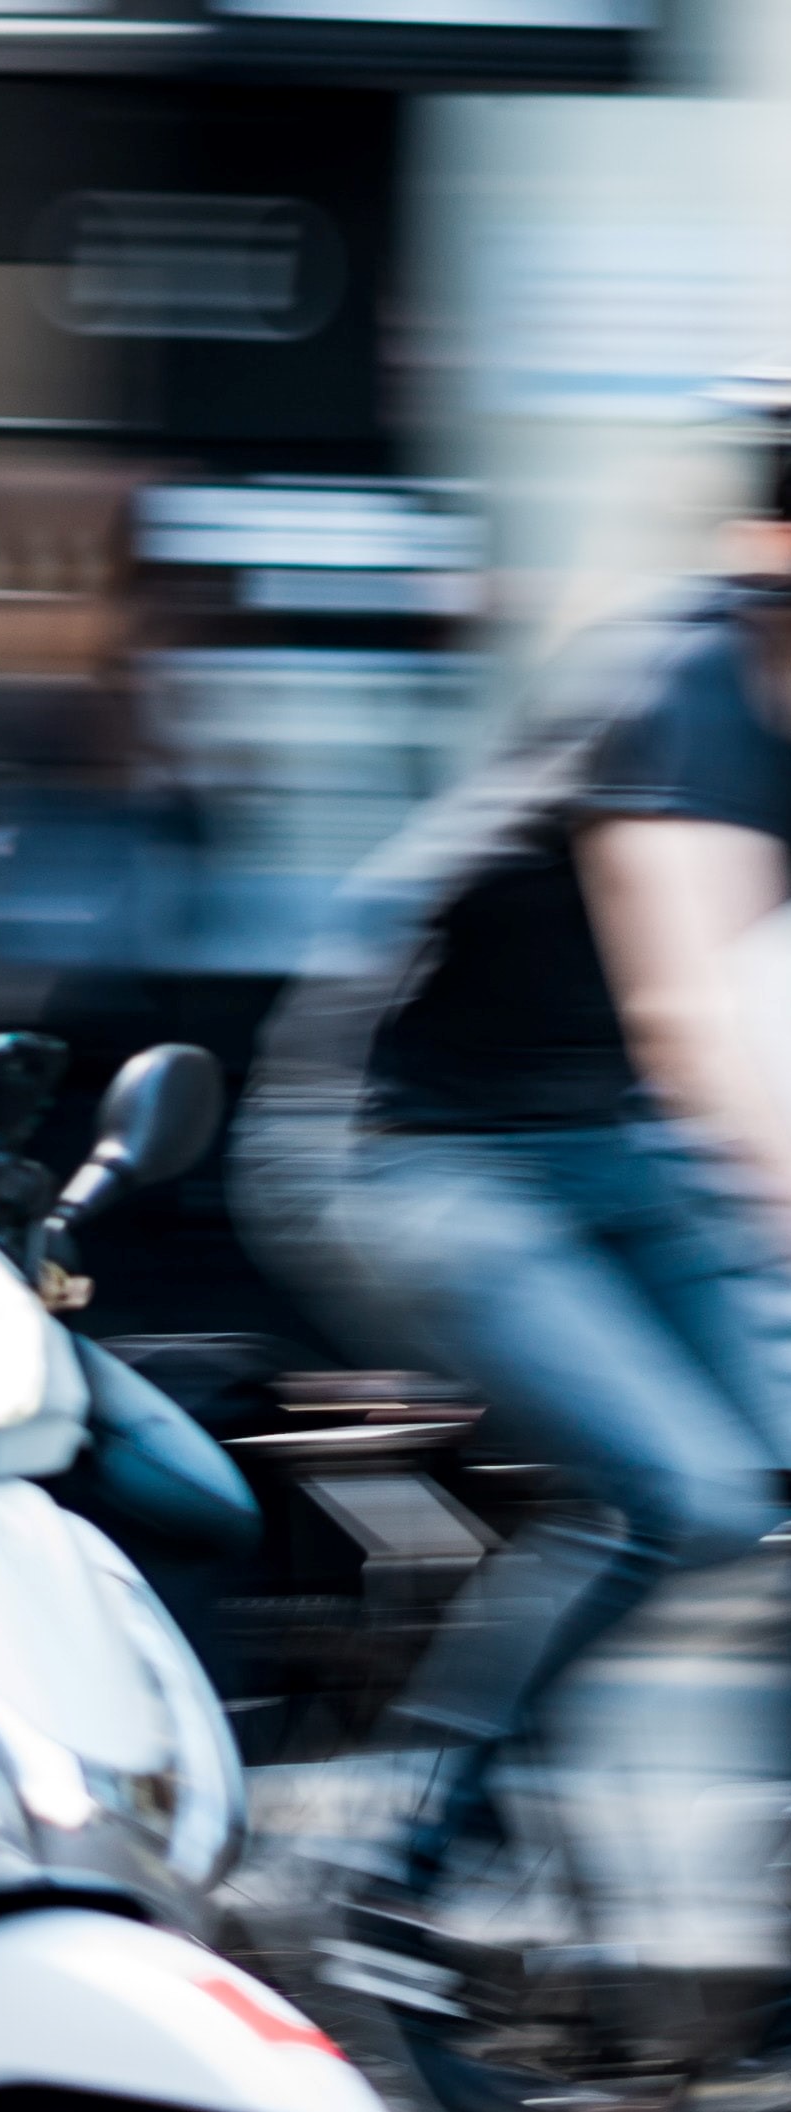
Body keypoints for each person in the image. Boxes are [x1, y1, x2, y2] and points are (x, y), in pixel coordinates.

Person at [237, 384, 791, 1903]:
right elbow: (689, 1011)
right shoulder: (686, 687)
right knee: (688, 1495)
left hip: (607, 1144)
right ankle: (403, 1827)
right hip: (402, 1155)